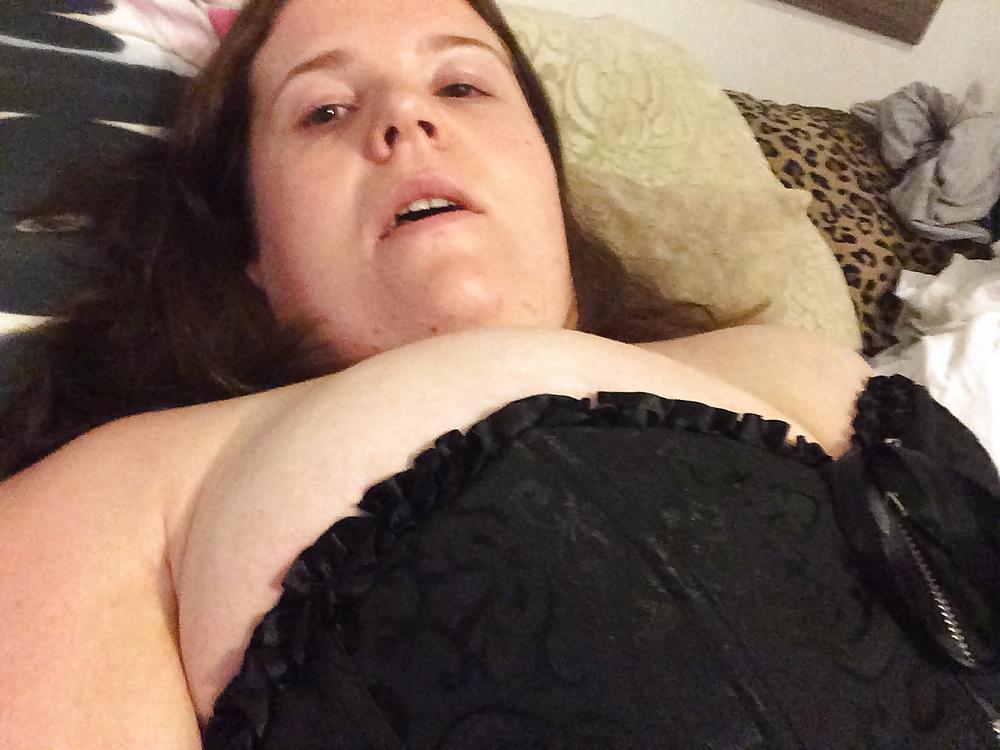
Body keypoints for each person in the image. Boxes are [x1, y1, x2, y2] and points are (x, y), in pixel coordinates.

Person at [1, 0, 998, 747]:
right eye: (325, 109)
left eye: (462, 86)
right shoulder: (121, 492)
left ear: (548, 172)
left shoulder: (789, 360)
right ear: (251, 243)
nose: (405, 119)